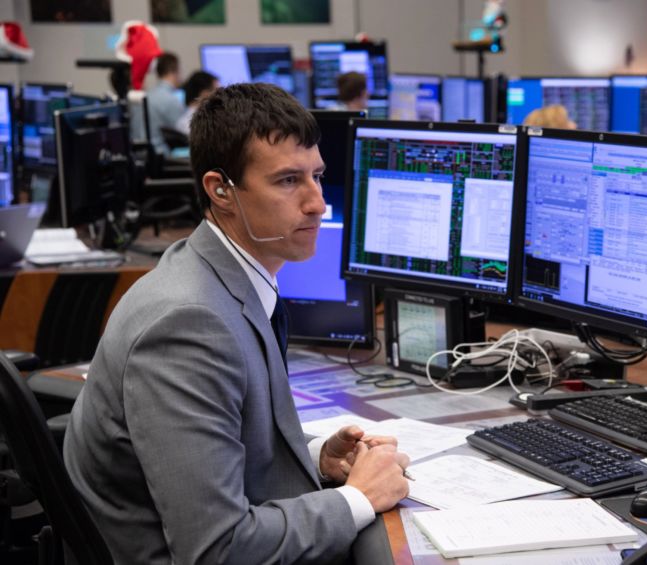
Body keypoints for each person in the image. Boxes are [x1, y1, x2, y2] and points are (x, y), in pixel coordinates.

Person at [64, 83, 411, 564]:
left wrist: (315, 459)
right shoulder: (188, 326)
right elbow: (216, 549)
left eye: (317, 176)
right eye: (289, 181)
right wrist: (358, 499)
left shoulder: (217, 275)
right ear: (220, 190)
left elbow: (223, 447)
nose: (317, 203)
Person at [146, 51, 185, 154]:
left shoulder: (146, 96)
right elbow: (184, 134)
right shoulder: (171, 100)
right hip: (163, 159)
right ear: (174, 71)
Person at [175, 70, 220, 136]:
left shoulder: (182, 122)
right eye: (217, 92)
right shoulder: (198, 126)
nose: (220, 97)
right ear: (204, 93)